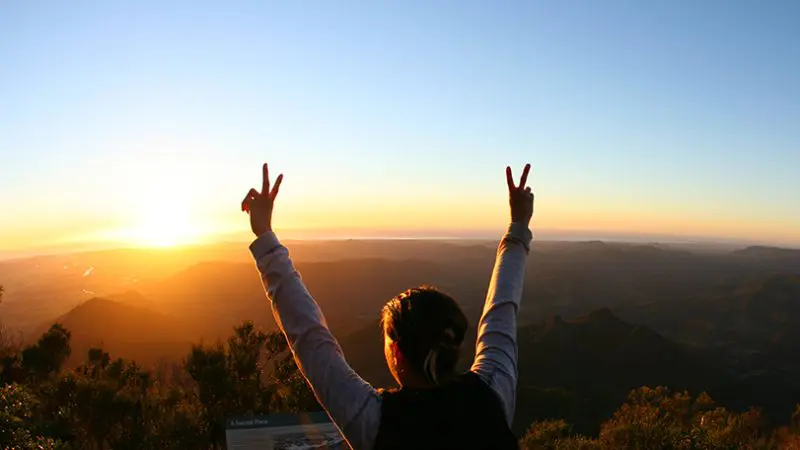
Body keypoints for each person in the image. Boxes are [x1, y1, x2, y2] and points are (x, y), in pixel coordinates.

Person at [242, 162, 534, 450]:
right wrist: (519, 224)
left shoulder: (374, 421)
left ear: (396, 353)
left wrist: (264, 235)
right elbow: (502, 310)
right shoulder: (492, 393)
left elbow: (310, 337)